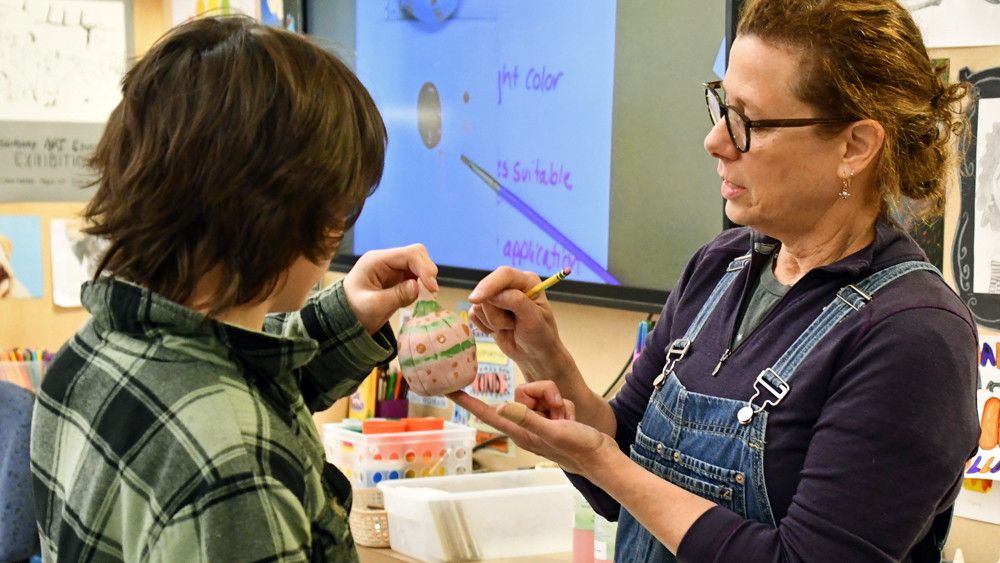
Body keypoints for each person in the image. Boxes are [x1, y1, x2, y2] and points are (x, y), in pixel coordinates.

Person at [450, 0, 980, 561]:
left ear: (855, 146)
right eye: (721, 108)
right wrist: (545, 358)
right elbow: (625, 459)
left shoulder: (913, 335)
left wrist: (602, 462)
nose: (716, 142)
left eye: (748, 122)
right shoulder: (721, 267)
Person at [29, 17, 437, 563]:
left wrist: (347, 315)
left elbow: (231, 375)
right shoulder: (235, 470)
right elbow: (233, 418)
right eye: (339, 208)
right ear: (286, 215)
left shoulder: (93, 349)